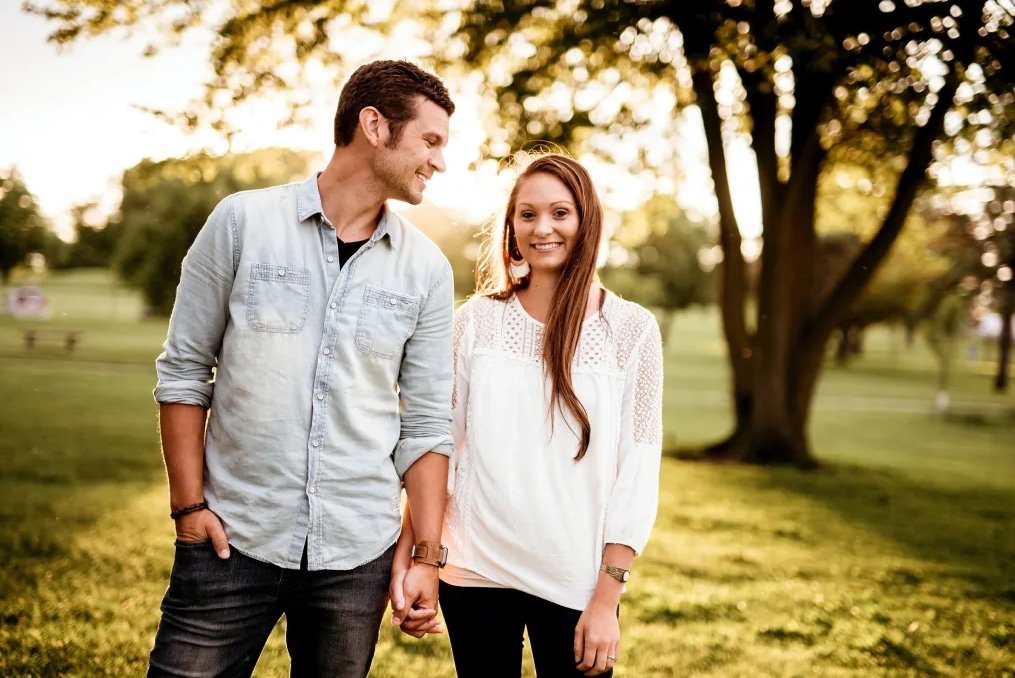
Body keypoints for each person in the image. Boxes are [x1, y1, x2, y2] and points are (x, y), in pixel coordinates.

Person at [148, 59, 456, 678]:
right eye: (430, 140)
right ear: (374, 125)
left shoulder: (427, 269)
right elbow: (184, 373)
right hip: (230, 538)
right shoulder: (241, 223)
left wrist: (426, 555)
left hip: (356, 556)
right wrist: (188, 509)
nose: (439, 162)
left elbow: (425, 422)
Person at [391, 153, 664, 677]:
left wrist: (607, 598)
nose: (544, 228)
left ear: (587, 222)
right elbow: (441, 447)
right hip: (473, 571)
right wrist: (420, 556)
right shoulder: (473, 323)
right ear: (511, 226)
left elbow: (639, 469)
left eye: (561, 213)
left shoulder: (631, 330)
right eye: (528, 214)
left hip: (575, 580)